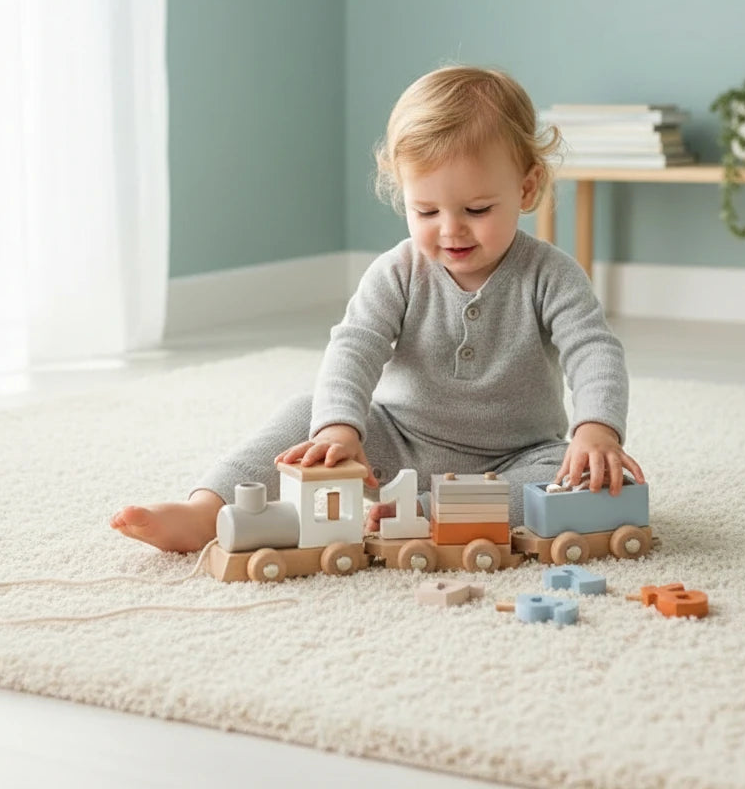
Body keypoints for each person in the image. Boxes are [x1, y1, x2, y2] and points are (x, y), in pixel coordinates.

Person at [111, 65, 644, 553]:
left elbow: (593, 348)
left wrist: (596, 428)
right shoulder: (398, 271)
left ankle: (424, 515)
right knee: (307, 412)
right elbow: (356, 344)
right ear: (403, 195)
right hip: (396, 444)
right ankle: (208, 511)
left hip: (514, 456)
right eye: (426, 210)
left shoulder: (551, 274)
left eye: (477, 209)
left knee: (562, 478)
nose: (451, 229)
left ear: (526, 188)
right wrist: (340, 430)